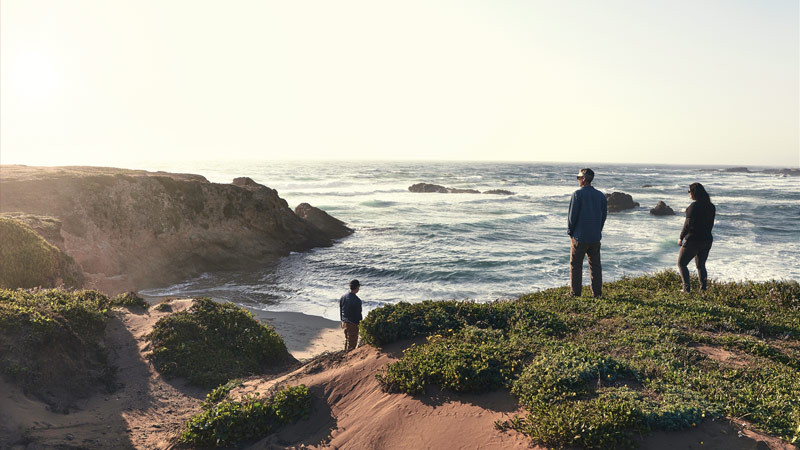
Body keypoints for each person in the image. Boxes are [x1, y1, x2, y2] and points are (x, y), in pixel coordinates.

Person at [567, 168, 608, 298]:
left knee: (575, 265)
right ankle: (597, 294)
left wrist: (571, 232)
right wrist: (598, 230)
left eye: (579, 177)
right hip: (595, 236)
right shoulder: (601, 195)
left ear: (584, 179)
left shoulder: (577, 194)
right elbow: (603, 216)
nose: (578, 180)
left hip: (580, 236)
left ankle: (575, 293)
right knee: (595, 266)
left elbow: (572, 217)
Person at [677, 183, 716, 292]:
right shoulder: (711, 206)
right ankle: (703, 289)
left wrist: (681, 237)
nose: (689, 194)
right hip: (707, 240)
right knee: (701, 265)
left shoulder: (693, 207)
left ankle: (686, 289)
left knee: (681, 263)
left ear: (694, 193)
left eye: (689, 191)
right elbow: (710, 224)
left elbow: (688, 224)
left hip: (694, 240)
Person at [339, 279, 363, 351]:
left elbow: (341, 308)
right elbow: (358, 314)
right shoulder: (357, 300)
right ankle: (348, 358)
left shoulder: (343, 296)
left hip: (344, 322)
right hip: (352, 323)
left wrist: (342, 319)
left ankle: (345, 353)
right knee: (352, 343)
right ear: (357, 287)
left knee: (347, 340)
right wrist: (360, 324)